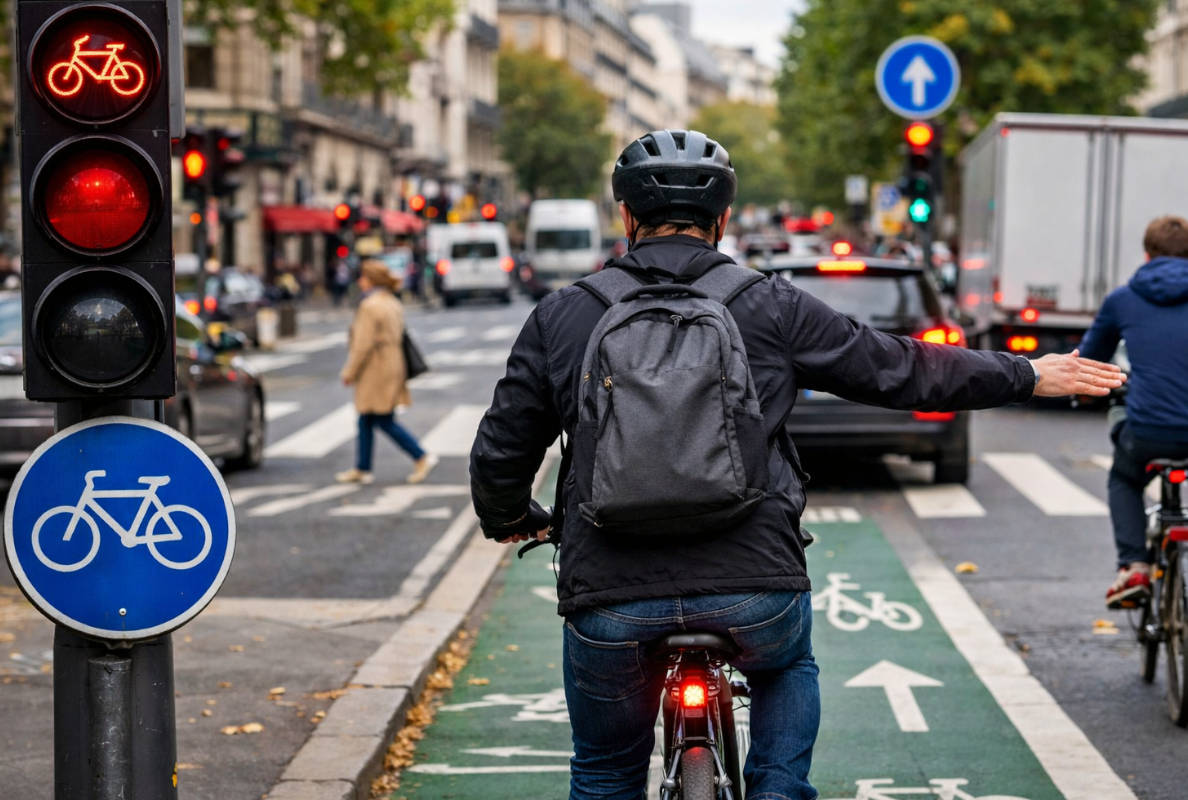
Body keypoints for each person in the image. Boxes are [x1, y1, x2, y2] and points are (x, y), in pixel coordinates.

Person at [469, 129, 1124, 800]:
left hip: (610, 593)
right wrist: (1026, 374)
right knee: (787, 666)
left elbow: (502, 446)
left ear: (625, 216)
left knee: (605, 771)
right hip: (753, 584)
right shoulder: (768, 304)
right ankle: (778, 790)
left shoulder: (563, 314)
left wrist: (510, 516)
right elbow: (898, 369)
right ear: (723, 218)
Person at [1078, 215, 1188, 609]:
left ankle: (1134, 567)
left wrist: (1084, 392)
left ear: (1147, 254)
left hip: (1148, 432)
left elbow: (1091, 359)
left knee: (1124, 478)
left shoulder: (1123, 299)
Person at [337, 259, 437, 485]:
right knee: (366, 418)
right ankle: (362, 468)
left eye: (363, 277)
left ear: (371, 280)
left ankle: (421, 456)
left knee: (382, 418)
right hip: (393, 364)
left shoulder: (370, 306)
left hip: (376, 368)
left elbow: (363, 344)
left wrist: (349, 372)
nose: (360, 281)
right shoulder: (392, 302)